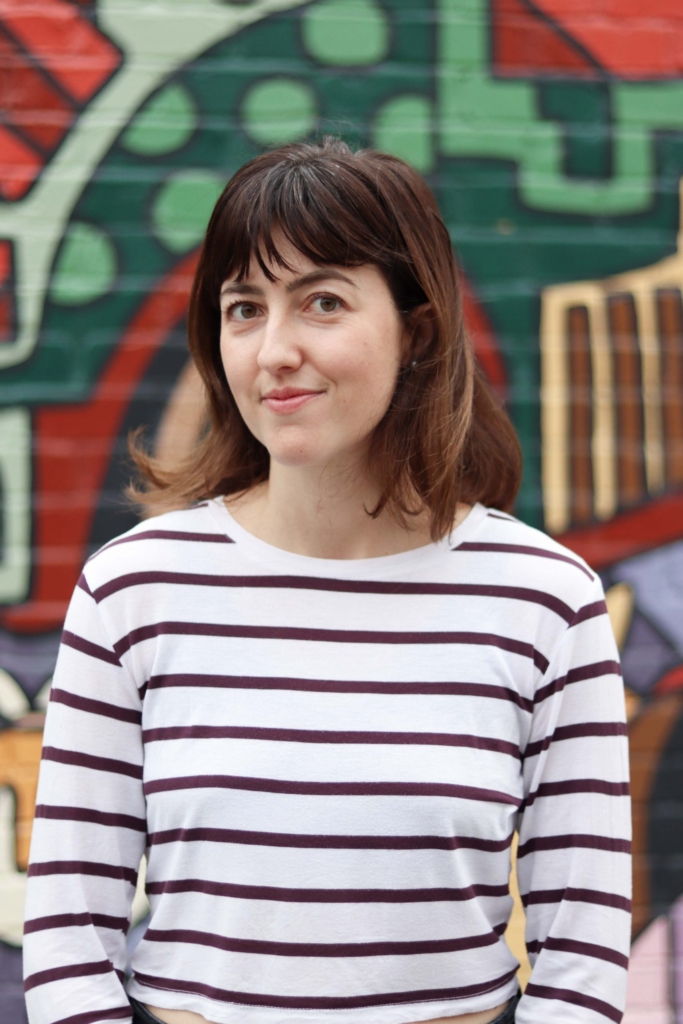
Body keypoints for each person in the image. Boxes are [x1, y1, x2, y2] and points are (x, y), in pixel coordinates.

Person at [23, 139, 631, 1024]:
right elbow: (70, 929)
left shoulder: (543, 601)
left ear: (415, 330)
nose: (274, 350)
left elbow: (582, 955)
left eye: (322, 302)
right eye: (243, 308)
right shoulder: (133, 592)